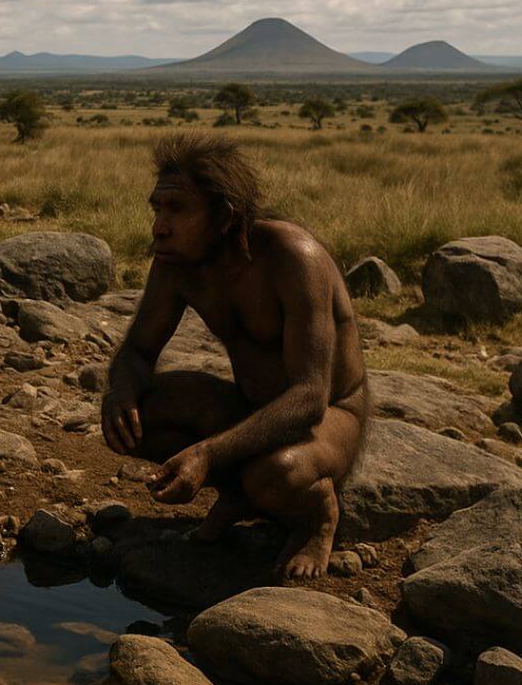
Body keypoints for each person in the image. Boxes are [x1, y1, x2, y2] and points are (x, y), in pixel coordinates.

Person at [101, 134, 369, 579]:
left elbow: (309, 397)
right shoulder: (176, 263)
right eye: (157, 208)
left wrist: (208, 453)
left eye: (177, 209)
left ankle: (317, 518)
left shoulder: (292, 256)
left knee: (277, 473)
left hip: (329, 415)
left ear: (224, 216)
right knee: (136, 419)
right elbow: (138, 350)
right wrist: (121, 391)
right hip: (253, 406)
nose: (159, 227)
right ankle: (241, 494)